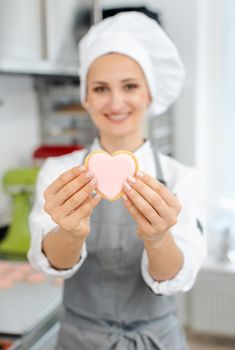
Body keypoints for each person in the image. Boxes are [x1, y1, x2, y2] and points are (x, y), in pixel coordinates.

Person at [28, 12, 207, 350]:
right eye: (100, 89)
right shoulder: (58, 173)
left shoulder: (181, 179)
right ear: (85, 98)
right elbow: (52, 264)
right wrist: (70, 231)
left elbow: (179, 277)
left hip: (158, 341)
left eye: (130, 86)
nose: (115, 102)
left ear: (150, 94)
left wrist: (157, 238)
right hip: (79, 341)